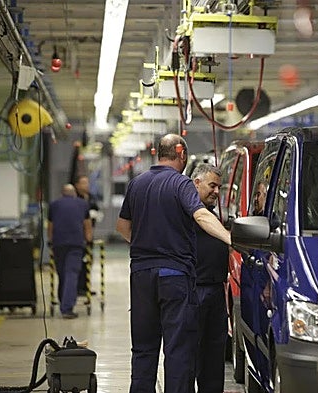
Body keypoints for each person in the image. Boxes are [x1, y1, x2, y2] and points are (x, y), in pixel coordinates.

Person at [115, 134, 231, 393]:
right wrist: (229, 237)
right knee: (178, 349)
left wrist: (146, 242)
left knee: (143, 349)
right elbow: (201, 215)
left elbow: (122, 226)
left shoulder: (137, 183)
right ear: (180, 153)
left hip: (141, 276)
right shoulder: (181, 184)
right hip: (174, 277)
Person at [191, 164, 229, 393]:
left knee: (215, 353)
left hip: (215, 290)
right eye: (211, 185)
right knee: (191, 353)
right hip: (195, 290)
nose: (216, 191)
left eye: (219, 187)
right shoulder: (189, 211)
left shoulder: (212, 214)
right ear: (196, 183)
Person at [48, 183, 92, 319]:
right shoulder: (83, 204)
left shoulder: (54, 205)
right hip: (76, 244)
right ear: (74, 193)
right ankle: (67, 308)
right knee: (71, 274)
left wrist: (50, 241)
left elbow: (50, 226)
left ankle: (63, 301)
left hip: (58, 244)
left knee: (62, 274)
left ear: (62, 193)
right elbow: (87, 225)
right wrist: (89, 240)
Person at [73, 175, 100, 296]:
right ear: (77, 185)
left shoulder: (91, 198)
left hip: (89, 234)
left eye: (87, 183)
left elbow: (96, 209)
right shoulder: (75, 199)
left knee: (88, 261)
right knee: (78, 263)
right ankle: (78, 288)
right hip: (78, 235)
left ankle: (86, 286)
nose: (86, 185)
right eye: (83, 183)